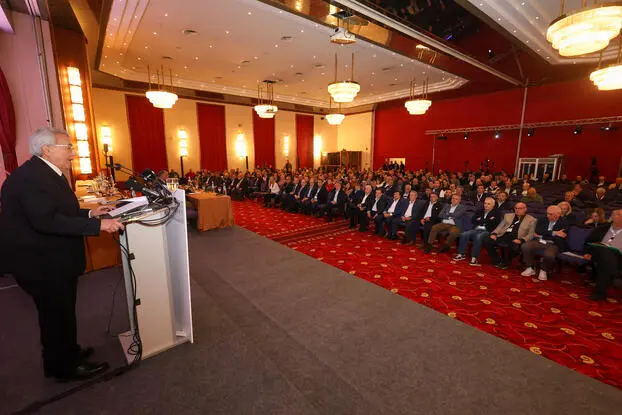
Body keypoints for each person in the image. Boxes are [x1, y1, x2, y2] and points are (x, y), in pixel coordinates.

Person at [0, 127, 124, 381]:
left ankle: (65, 355)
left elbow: (61, 211)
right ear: (46, 150)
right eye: (67, 148)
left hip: (51, 258)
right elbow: (46, 220)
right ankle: (65, 367)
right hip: (41, 263)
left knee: (59, 312)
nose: (73, 153)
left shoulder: (45, 172)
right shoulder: (32, 179)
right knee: (56, 314)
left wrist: (90, 213)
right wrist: (98, 226)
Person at [520, 205, 569, 281]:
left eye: (550, 214)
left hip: (553, 244)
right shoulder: (542, 219)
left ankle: (544, 270)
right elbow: (538, 231)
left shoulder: (564, 222)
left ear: (558, 214)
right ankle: (530, 268)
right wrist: (554, 233)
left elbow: (562, 236)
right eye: (547, 213)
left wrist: (544, 234)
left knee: (549, 255)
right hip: (540, 241)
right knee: (525, 246)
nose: (548, 215)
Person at [483, 203, 536, 269]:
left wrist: (522, 240)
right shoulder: (508, 216)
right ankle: (497, 260)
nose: (517, 210)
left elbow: (531, 234)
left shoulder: (531, 220)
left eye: (520, 208)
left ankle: (506, 262)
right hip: (504, 235)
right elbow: (500, 226)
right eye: (516, 208)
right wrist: (494, 234)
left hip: (517, 237)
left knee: (515, 247)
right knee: (488, 241)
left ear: (525, 209)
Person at [584, 209, 622, 301]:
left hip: (619, 257)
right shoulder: (602, 228)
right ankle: (614, 276)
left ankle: (600, 292)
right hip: (599, 253)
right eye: (614, 214)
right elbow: (588, 242)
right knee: (606, 252)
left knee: (607, 261)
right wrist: (588, 252)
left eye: (618, 214)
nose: (614, 215)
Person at [454, 197, 500, 266]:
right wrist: (487, 220)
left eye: (488, 204)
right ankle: (461, 254)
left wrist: (480, 220)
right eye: (485, 203)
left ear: (493, 205)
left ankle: (474, 258)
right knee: (464, 234)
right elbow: (473, 220)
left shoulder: (496, 213)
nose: (486, 205)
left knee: (478, 236)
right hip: (476, 229)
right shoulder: (480, 210)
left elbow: (494, 224)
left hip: (487, 231)